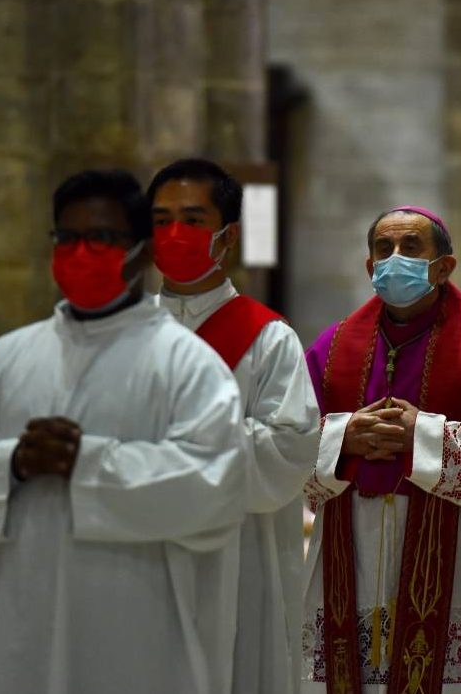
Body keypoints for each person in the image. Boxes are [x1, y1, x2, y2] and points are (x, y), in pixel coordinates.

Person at [0, 169, 248, 694]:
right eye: (67, 238)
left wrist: (86, 463)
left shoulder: (186, 364)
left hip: (131, 623)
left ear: (138, 251)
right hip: (20, 612)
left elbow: (215, 479)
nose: (81, 252)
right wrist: (13, 462)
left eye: (102, 239)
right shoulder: (10, 356)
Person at [302, 206, 461, 694]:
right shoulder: (330, 350)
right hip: (351, 542)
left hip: (456, 554)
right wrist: (343, 437)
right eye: (383, 249)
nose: (395, 259)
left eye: (411, 248)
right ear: (370, 268)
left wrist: (424, 435)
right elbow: (286, 443)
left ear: (444, 267)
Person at [147, 158, 320, 694]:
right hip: (137, 549)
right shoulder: (124, 333)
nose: (175, 234)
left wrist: (179, 444)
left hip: (236, 556)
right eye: (161, 219)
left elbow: (290, 449)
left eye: (194, 220)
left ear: (229, 235)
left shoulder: (267, 338)